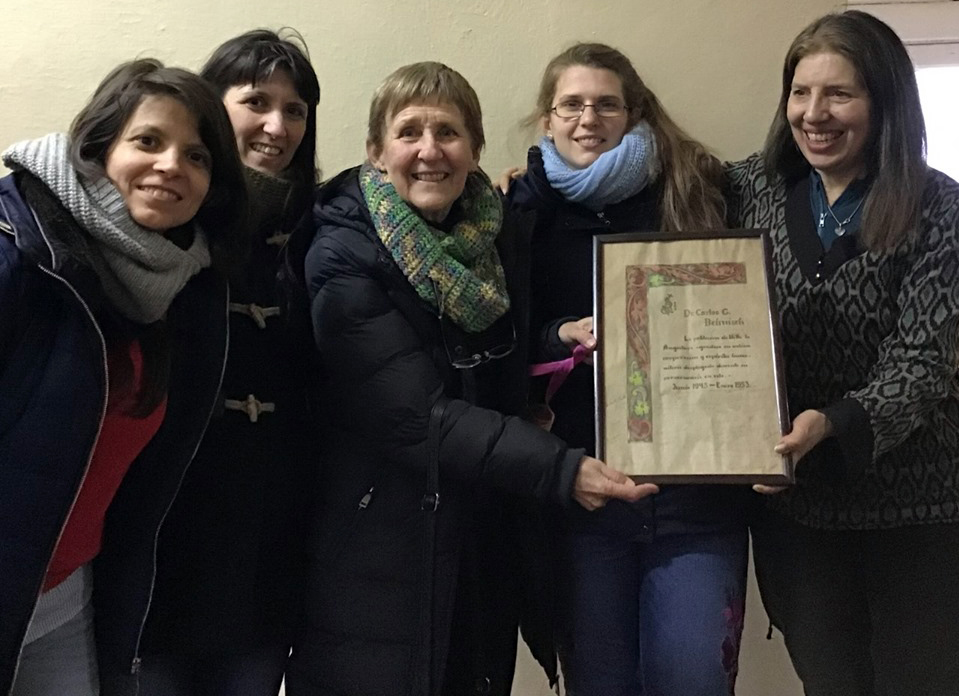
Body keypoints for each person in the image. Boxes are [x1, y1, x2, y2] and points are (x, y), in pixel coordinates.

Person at [283, 60, 657, 696]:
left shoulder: (495, 235)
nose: (430, 151)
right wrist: (560, 469)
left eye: (449, 132)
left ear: (475, 149)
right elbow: (416, 416)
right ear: (376, 151)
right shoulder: (342, 253)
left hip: (479, 539)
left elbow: (490, 357)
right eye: (409, 132)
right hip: (380, 547)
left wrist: (552, 346)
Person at [503, 42, 750, 696]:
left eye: (606, 104)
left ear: (634, 113)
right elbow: (496, 340)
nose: (589, 119)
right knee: (599, 683)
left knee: (693, 680)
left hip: (695, 495)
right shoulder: (517, 212)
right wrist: (558, 334)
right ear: (547, 119)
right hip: (582, 498)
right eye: (571, 105)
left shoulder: (696, 190)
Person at [726, 10, 959, 695]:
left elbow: (922, 360)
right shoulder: (751, 189)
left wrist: (832, 425)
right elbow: (654, 182)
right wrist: (530, 188)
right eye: (800, 92)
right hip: (797, 515)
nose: (814, 114)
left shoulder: (940, 207)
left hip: (918, 511)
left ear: (884, 102)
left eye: (839, 94)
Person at [0, 59, 247, 696]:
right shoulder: (16, 249)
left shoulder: (180, 289)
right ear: (98, 148)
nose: (171, 165)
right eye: (148, 141)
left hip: (68, 599)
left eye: (196, 156)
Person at [135, 29, 321, 696]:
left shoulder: (321, 228)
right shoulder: (160, 219)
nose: (278, 126)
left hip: (269, 549)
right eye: (256, 102)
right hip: (163, 544)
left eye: (295, 110)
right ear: (210, 106)